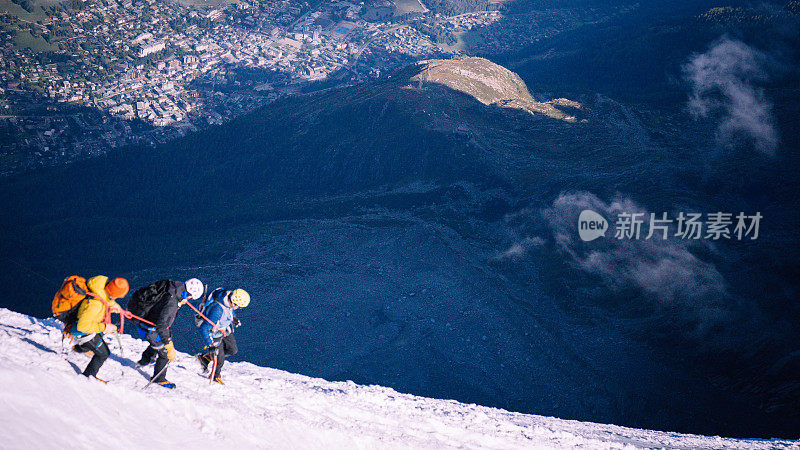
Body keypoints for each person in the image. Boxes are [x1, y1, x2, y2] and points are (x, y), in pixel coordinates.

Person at [127, 278, 205, 389]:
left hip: (144, 323)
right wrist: (169, 345)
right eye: (190, 297)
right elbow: (162, 326)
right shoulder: (172, 304)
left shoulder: (171, 287)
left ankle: (145, 360)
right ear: (189, 294)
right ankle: (159, 379)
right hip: (149, 329)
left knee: (157, 344)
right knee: (165, 354)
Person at [71, 276, 129, 380]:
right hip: (84, 332)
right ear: (113, 294)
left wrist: (115, 306)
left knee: (101, 335)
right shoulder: (96, 304)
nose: (116, 299)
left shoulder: (100, 292)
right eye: (117, 297)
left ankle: (80, 348)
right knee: (104, 354)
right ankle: (88, 376)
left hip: (88, 327)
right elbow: (83, 326)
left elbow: (105, 299)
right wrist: (105, 327)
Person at [195, 287, 249, 384]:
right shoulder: (217, 310)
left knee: (233, 350)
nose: (238, 308)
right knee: (220, 360)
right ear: (233, 302)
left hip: (224, 329)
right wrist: (210, 345)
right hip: (215, 334)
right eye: (239, 306)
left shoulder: (227, 298)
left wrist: (234, 319)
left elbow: (230, 311)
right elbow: (204, 328)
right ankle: (215, 377)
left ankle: (205, 358)